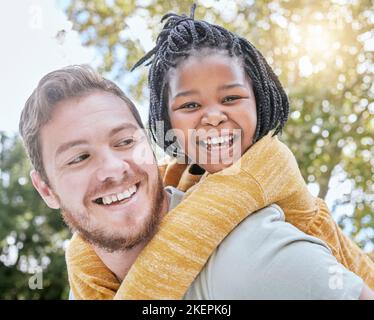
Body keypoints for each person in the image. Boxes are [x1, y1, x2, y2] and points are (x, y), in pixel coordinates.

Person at [66, 5, 374, 299]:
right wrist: (81, 249)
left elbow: (173, 250)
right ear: (167, 119)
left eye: (231, 98)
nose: (213, 116)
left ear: (259, 99)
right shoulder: (186, 171)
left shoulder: (263, 164)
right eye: (190, 105)